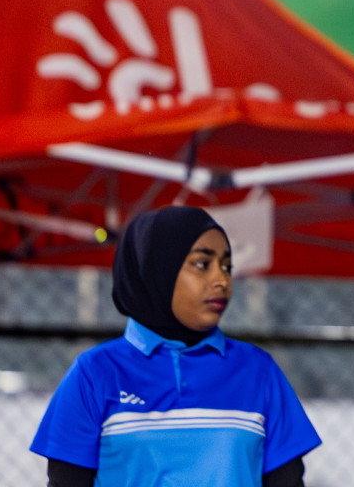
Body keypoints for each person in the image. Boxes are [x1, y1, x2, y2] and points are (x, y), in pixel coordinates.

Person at [30, 206, 321, 486]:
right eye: (202, 264)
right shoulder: (94, 373)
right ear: (157, 270)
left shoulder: (258, 370)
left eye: (227, 266)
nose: (222, 280)